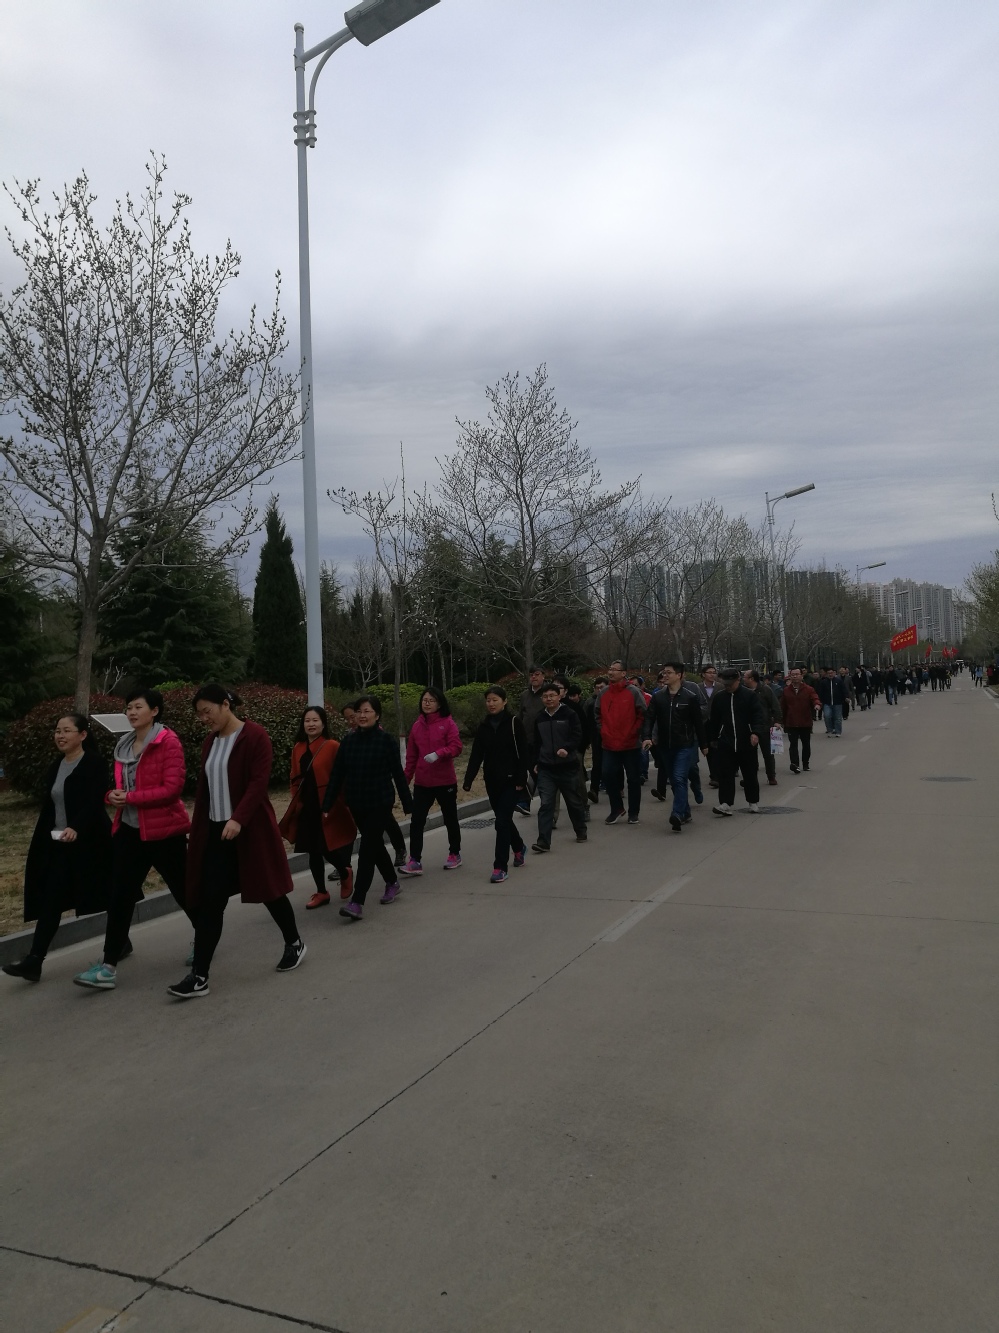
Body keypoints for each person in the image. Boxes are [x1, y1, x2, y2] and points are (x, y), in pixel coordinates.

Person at [167, 685, 306, 999]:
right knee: (211, 902)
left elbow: (258, 783)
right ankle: (199, 976)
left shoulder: (255, 736)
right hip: (217, 833)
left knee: (269, 892)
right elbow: (205, 789)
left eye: (207, 711)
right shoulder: (211, 742)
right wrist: (199, 827)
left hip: (249, 831)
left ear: (225, 705)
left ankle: (294, 942)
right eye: (199, 714)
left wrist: (238, 818)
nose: (204, 719)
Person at [73, 688, 194, 992]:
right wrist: (111, 796)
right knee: (120, 896)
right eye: (128, 707)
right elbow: (116, 785)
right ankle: (108, 967)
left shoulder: (168, 741)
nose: (131, 712)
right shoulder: (124, 745)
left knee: (183, 890)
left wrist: (130, 798)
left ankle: (205, 938)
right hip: (129, 830)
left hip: (164, 831)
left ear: (155, 710)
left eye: (138, 707)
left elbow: (172, 789)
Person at [3, 713, 112, 983]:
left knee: (107, 893)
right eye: (57, 731)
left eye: (66, 731)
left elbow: (95, 801)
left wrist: (77, 826)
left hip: (91, 843)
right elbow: (51, 804)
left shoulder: (94, 763)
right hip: (60, 843)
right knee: (52, 898)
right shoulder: (57, 765)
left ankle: (119, 943)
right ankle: (34, 961)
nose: (60, 736)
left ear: (82, 735)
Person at [322, 694, 411, 921]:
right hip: (357, 803)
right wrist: (327, 804)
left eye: (367, 711)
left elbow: (398, 773)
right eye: (359, 711)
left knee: (366, 850)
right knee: (375, 846)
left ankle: (357, 901)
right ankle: (392, 882)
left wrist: (407, 801)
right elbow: (337, 775)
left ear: (377, 715)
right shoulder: (348, 742)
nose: (362, 716)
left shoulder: (386, 741)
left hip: (380, 802)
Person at [279, 706, 356, 910]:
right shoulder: (298, 747)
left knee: (324, 846)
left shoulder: (332, 746)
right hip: (306, 805)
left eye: (315, 720)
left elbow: (342, 776)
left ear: (323, 723)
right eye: (307, 721)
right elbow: (294, 777)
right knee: (312, 850)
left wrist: (342, 801)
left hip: (327, 803)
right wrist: (295, 799)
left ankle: (344, 872)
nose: (311, 724)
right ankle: (322, 891)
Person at [462, 686, 528, 881]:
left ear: (504, 701)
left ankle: (500, 867)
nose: (491, 704)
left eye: (495, 700)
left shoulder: (514, 723)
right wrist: (468, 780)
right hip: (492, 781)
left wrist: (521, 779)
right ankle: (519, 847)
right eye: (488, 700)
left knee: (501, 822)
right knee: (503, 819)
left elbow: (524, 752)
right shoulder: (483, 726)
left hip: (512, 781)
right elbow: (476, 755)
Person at [400, 686, 463, 876]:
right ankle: (415, 860)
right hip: (423, 783)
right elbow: (411, 756)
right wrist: (405, 780)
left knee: (450, 818)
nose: (427, 704)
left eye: (431, 700)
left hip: (445, 781)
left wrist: (439, 753)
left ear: (439, 704)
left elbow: (456, 747)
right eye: (424, 700)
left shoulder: (448, 723)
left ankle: (454, 853)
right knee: (417, 821)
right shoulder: (417, 726)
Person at [641, 662, 708, 833]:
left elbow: (698, 723)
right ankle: (685, 811)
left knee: (678, 778)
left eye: (669, 673)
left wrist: (703, 744)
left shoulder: (689, 697)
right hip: (665, 746)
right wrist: (647, 737)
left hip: (684, 745)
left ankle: (677, 814)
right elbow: (649, 718)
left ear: (679, 675)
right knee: (675, 780)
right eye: (664, 672)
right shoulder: (658, 697)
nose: (665, 675)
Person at [531, 683, 588, 852]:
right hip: (546, 768)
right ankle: (543, 841)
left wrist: (567, 749)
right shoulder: (540, 717)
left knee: (573, 801)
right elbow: (536, 742)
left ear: (559, 696)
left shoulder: (569, 714)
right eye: (545, 696)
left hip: (567, 767)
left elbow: (577, 735)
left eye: (552, 696)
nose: (548, 699)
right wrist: (536, 761)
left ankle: (581, 830)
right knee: (546, 804)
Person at [708, 668, 768, 815]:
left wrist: (755, 732)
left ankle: (753, 802)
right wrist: (712, 738)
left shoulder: (749, 695)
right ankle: (725, 803)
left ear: (738, 680)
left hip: (746, 741)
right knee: (725, 774)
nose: (727, 686)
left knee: (750, 773)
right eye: (725, 684)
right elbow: (714, 720)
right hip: (726, 741)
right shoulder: (719, 697)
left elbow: (758, 716)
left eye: (730, 684)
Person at [594, 661, 647, 825]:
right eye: (609, 669)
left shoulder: (633, 692)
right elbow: (597, 714)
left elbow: (642, 714)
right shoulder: (604, 693)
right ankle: (616, 808)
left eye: (614, 670)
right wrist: (603, 730)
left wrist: (634, 732)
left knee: (633, 779)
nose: (610, 672)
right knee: (608, 774)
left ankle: (633, 812)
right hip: (609, 743)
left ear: (623, 673)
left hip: (630, 744)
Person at [516, 666, 548, 814]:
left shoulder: (547, 694)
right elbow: (521, 715)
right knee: (527, 771)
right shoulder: (524, 695)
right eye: (531, 675)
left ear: (543, 676)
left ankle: (546, 804)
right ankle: (524, 802)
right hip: (526, 740)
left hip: (543, 740)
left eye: (537, 674)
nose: (533, 677)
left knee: (540, 772)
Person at [744, 670, 782, 786]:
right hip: (749, 727)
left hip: (765, 726)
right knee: (750, 755)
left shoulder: (765, 689)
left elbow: (775, 705)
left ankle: (771, 776)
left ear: (751, 679)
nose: (743, 679)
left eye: (745, 677)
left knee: (768, 753)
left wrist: (777, 721)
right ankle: (750, 778)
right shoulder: (743, 691)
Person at [780, 667, 820, 774]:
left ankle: (805, 763)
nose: (795, 676)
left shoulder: (808, 689)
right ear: (790, 676)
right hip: (791, 722)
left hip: (805, 722)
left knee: (806, 744)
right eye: (793, 675)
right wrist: (780, 721)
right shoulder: (786, 690)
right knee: (793, 744)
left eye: (797, 674)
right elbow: (782, 707)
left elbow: (815, 698)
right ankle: (795, 764)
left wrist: (817, 704)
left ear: (802, 676)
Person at [693, 665, 724, 787]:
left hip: (719, 721)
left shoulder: (721, 687)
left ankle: (721, 773)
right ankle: (714, 776)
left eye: (714, 672)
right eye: (709, 672)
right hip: (704, 722)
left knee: (719, 748)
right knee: (708, 749)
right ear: (703, 674)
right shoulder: (698, 687)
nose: (712, 675)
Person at [583, 676, 608, 801]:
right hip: (596, 737)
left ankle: (616, 787)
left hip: (611, 737)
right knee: (597, 764)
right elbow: (585, 721)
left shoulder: (611, 700)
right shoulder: (590, 703)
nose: (599, 690)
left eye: (602, 687)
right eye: (597, 688)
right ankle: (594, 790)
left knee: (612, 764)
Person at [816, 667, 847, 736]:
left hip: (837, 703)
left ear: (834, 673)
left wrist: (846, 697)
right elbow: (820, 692)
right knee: (827, 716)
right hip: (827, 703)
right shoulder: (823, 682)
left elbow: (844, 690)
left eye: (831, 673)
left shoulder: (839, 681)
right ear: (826, 674)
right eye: (828, 673)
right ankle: (829, 730)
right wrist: (820, 701)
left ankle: (838, 731)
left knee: (838, 718)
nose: (830, 674)